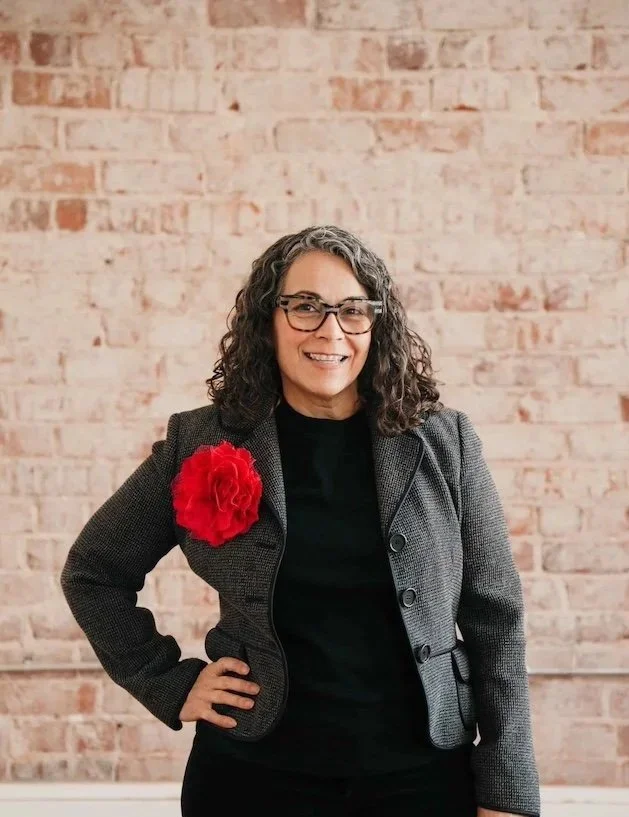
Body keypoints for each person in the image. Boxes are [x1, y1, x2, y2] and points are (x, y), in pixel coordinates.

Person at [61, 225, 540, 817]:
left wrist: (507, 790)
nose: (330, 331)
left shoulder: (446, 442)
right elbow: (93, 571)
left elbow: (496, 615)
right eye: (305, 307)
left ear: (376, 323)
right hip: (251, 781)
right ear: (269, 319)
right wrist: (169, 681)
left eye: (351, 310)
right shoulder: (201, 441)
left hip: (422, 779)